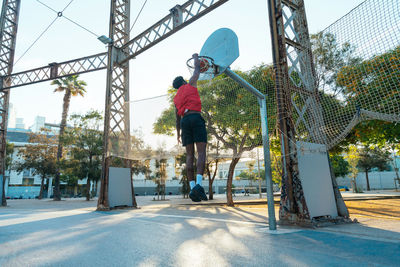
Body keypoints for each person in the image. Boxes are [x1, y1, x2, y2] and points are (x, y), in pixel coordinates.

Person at [172, 53, 208, 202]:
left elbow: (177, 119)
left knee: (189, 156)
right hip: (195, 117)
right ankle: (199, 185)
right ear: (184, 81)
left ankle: (193, 187)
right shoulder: (191, 84)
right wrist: (195, 58)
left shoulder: (176, 99)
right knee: (201, 153)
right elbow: (197, 70)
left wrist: (178, 134)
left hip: (184, 123)